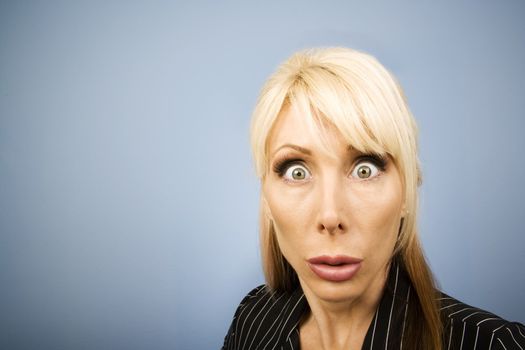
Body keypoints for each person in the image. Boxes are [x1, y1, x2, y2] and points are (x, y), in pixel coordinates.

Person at [222, 47, 525, 350]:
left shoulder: (495, 344)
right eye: (296, 172)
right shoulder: (252, 319)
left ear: (406, 191)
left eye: (364, 169)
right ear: (267, 199)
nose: (330, 216)